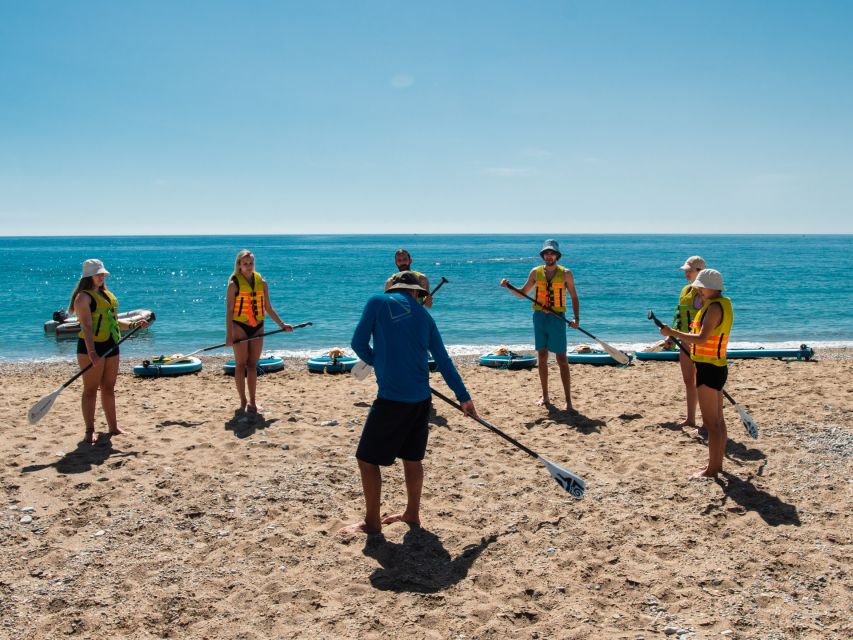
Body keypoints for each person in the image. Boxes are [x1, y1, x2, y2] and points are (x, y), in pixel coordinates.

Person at [343, 271, 477, 535]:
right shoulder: (425, 317)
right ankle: (412, 514)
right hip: (421, 400)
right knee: (412, 458)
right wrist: (464, 398)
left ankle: (372, 523)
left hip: (392, 399)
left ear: (393, 289)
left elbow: (357, 343)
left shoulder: (377, 302)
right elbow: (443, 361)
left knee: (366, 459)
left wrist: (377, 360)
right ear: (417, 293)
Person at [658, 269, 732, 479]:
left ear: (711, 288)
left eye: (701, 286)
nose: (698, 289)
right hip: (715, 366)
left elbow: (700, 338)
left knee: (711, 423)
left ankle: (712, 469)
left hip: (710, 369)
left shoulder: (715, 308)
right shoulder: (719, 304)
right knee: (718, 420)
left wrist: (672, 333)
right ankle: (717, 465)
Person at [70, 259, 151, 443]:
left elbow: (114, 322)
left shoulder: (106, 295)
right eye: (97, 274)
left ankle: (113, 427)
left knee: (109, 388)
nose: (101, 276)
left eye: (102, 274)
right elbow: (87, 326)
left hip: (111, 345)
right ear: (88, 276)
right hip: (91, 347)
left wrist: (133, 324)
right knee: (90, 389)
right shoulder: (83, 297)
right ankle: (89, 430)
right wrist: (92, 352)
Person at [500, 239, 580, 411]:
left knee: (561, 359)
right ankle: (545, 397)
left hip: (558, 318)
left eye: (551, 253)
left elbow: (573, 296)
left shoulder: (566, 273)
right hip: (539, 317)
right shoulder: (535, 273)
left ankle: (568, 401)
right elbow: (523, 294)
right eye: (546, 253)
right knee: (542, 356)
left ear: (557, 255)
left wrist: (576, 319)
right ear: (543, 255)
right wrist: (509, 287)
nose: (548, 255)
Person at [225, 250, 293, 413]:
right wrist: (229, 335)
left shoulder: (262, 282)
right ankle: (243, 401)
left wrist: (282, 324)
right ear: (239, 265)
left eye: (251, 263)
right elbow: (229, 311)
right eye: (245, 264)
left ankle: (253, 402)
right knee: (240, 365)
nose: (248, 267)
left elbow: (268, 308)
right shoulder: (234, 284)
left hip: (258, 326)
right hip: (240, 326)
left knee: (252, 365)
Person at [668, 255, 707, 429]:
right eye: (686, 271)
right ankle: (691, 419)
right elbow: (679, 318)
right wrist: (670, 337)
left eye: (689, 271)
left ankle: (707, 420)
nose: (686, 274)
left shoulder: (706, 293)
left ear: (700, 272)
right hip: (684, 342)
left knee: (704, 383)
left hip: (701, 344)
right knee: (688, 380)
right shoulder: (685, 290)